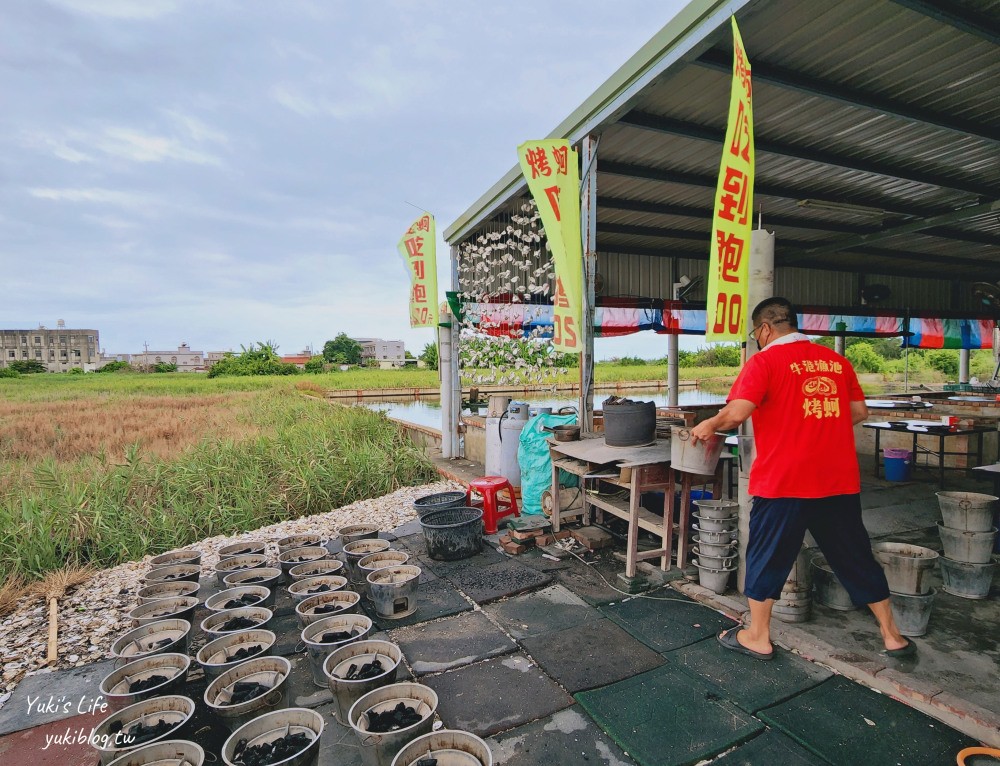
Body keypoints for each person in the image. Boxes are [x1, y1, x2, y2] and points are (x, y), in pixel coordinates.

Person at [690, 297, 913, 661]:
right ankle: (892, 637)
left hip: (784, 481)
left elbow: (738, 412)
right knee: (856, 556)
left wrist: (710, 424)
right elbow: (858, 411)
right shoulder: (838, 362)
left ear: (764, 329)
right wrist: (819, 429)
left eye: (756, 333)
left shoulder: (764, 361)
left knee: (766, 555)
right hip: (837, 480)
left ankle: (758, 636)